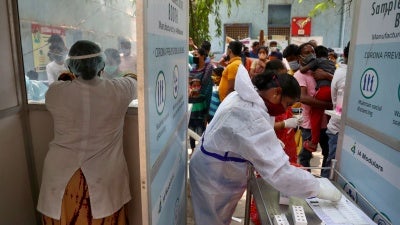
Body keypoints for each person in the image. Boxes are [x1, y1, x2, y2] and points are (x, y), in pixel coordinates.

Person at [189, 65, 341, 225]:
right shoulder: (250, 114)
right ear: (276, 93)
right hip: (215, 178)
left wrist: (270, 141)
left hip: (217, 169)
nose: (286, 109)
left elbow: (238, 134)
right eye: (287, 104)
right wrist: (319, 188)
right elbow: (280, 173)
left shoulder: (245, 96)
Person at [37, 40, 137, 224]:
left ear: (71, 66)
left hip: (62, 181)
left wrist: (69, 76)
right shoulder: (118, 90)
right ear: (102, 64)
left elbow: (62, 82)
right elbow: (133, 80)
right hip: (104, 179)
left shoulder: (55, 93)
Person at [294, 43, 332, 171]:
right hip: (309, 125)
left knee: (328, 155)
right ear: (300, 57)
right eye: (307, 52)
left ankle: (326, 182)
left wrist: (326, 76)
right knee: (305, 157)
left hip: (326, 123)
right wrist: (328, 105)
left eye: (313, 52)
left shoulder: (320, 70)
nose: (311, 55)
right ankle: (306, 186)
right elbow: (303, 98)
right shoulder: (299, 75)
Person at [321, 42, 350, 178]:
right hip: (338, 130)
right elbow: (338, 102)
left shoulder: (340, 72)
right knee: (331, 171)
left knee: (333, 167)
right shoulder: (344, 75)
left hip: (338, 128)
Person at [300, 45, 336, 152]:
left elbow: (303, 70)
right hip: (333, 92)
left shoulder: (316, 61)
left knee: (315, 116)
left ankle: (313, 142)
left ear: (316, 54)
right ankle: (331, 138)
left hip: (323, 90)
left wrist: (301, 65)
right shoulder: (332, 64)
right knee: (331, 117)